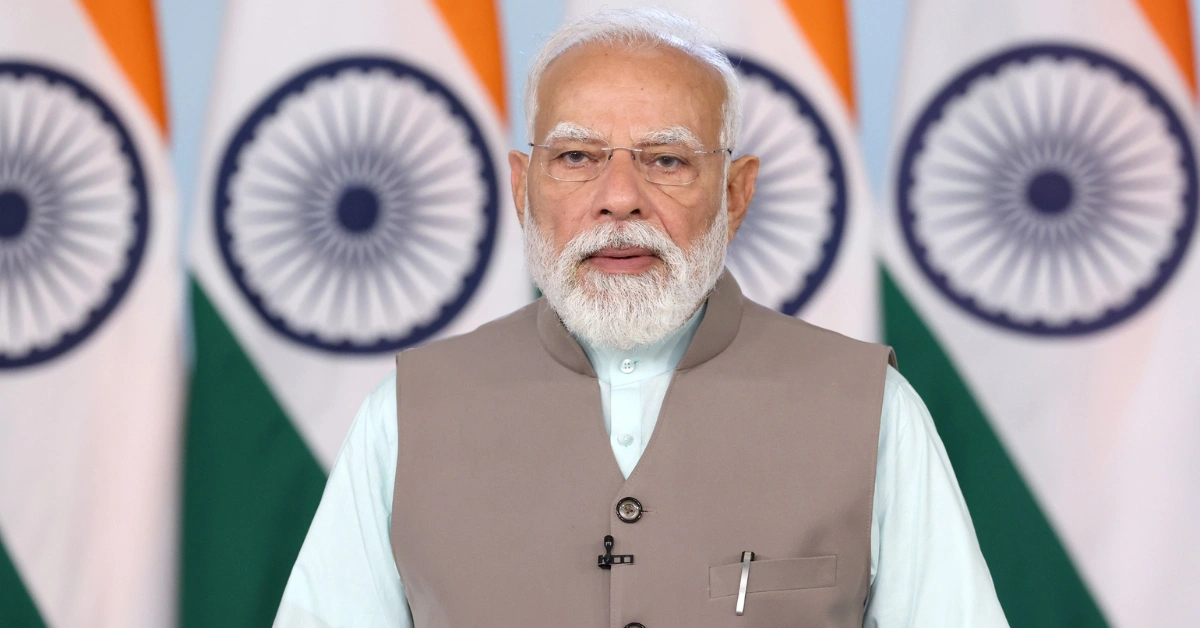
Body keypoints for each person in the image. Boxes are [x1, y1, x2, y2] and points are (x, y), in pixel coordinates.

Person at [273, 7, 1008, 627]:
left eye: (665, 161)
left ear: (736, 194)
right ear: (524, 187)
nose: (618, 197)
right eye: (577, 156)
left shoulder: (873, 413)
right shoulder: (404, 415)